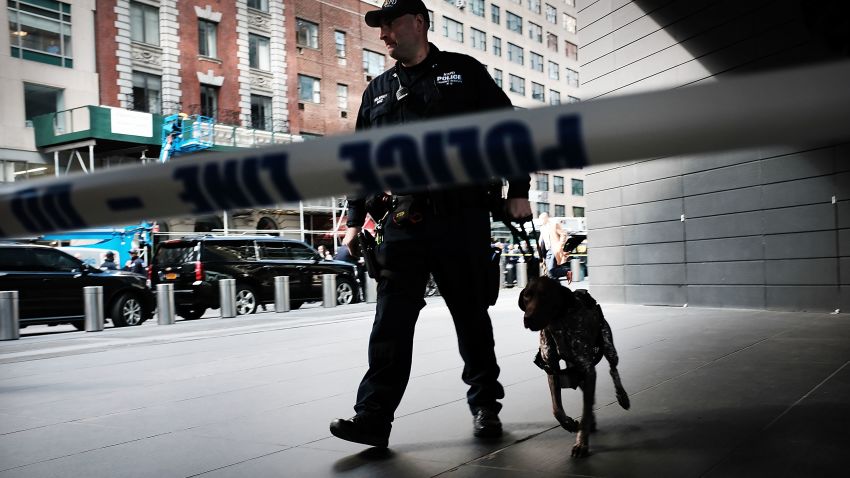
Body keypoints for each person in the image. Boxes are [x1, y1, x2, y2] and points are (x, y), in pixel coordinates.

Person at [329, 0, 532, 448]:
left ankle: (485, 406)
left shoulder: (466, 73)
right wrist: (353, 215)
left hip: (461, 217)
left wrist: (519, 189)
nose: (383, 36)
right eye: (379, 28)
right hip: (401, 222)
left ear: (417, 23)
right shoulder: (377, 91)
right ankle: (373, 418)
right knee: (390, 323)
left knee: (470, 317)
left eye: (390, 25)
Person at [538, 213, 567, 279]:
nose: (540, 221)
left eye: (541, 219)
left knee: (551, 269)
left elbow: (563, 234)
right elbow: (541, 240)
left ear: (546, 218)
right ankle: (556, 287)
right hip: (547, 251)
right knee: (549, 272)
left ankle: (567, 271)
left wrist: (560, 245)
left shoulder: (554, 225)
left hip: (554, 249)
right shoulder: (542, 228)